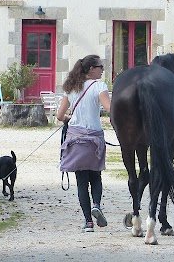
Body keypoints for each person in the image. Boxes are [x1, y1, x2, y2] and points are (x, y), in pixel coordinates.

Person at [57, 54, 111, 232]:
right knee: (96, 176)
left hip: (75, 138)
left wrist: (69, 119)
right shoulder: (99, 86)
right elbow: (110, 108)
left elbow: (59, 116)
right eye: (100, 67)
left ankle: (88, 222)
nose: (102, 70)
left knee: (81, 181)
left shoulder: (71, 88)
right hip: (94, 138)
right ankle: (96, 204)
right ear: (91, 69)